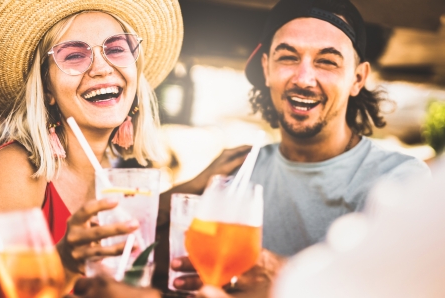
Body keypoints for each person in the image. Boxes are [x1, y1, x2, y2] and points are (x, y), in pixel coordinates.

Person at [169, 0, 431, 295]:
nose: (304, 79)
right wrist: (191, 187)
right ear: (267, 68)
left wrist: (285, 277)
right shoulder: (240, 172)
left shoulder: (399, 181)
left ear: (358, 78)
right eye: (288, 58)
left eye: (327, 61)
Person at [0, 0, 184, 292]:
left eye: (116, 48)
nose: (101, 68)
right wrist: (62, 264)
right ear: (47, 88)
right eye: (73, 55)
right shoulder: (16, 171)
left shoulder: (118, 181)